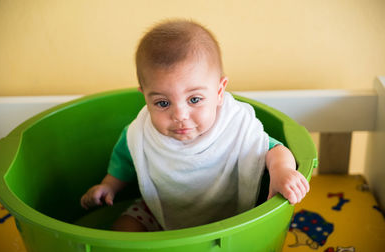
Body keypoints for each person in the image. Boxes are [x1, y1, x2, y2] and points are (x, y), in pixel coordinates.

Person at [80, 19, 309, 232]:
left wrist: (283, 171)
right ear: (145, 97)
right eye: (162, 103)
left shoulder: (234, 125)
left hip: (229, 215)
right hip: (160, 207)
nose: (180, 115)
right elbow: (126, 162)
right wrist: (108, 186)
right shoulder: (140, 134)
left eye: (194, 100)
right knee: (123, 227)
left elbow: (273, 150)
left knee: (244, 234)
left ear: (219, 92)